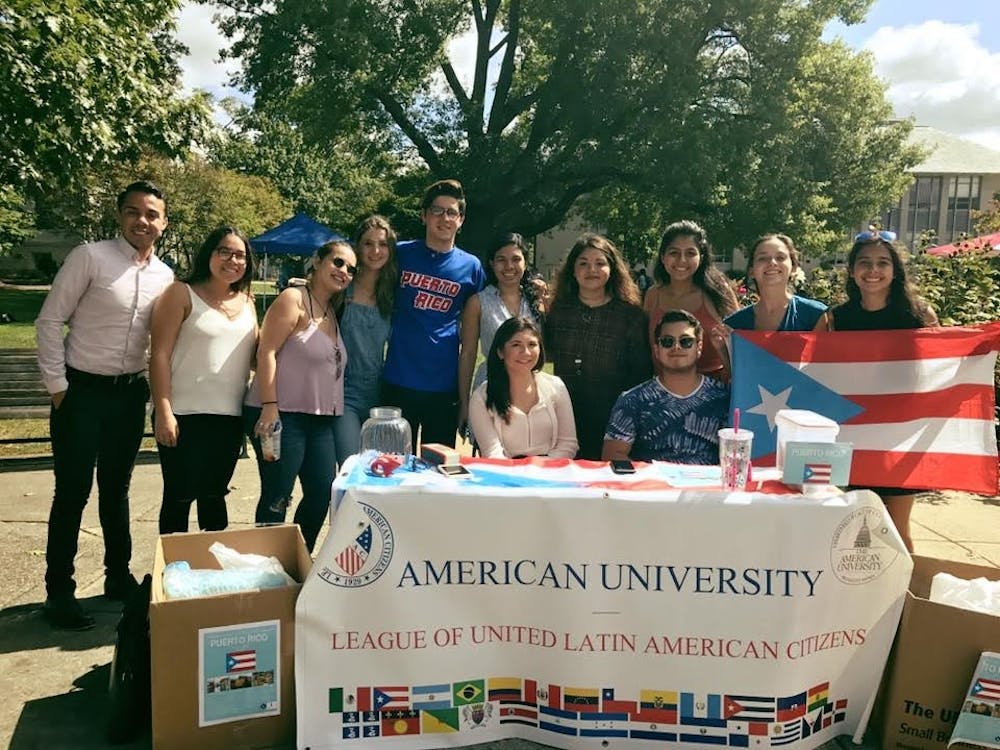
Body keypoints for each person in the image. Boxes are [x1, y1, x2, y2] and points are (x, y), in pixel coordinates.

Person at [35, 180, 174, 630]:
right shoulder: (89, 257)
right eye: (134, 212)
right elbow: (50, 319)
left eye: (152, 214)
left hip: (129, 394)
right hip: (81, 392)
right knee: (72, 492)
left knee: (117, 491)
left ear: (164, 223)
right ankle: (60, 592)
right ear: (120, 215)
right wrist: (58, 387)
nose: (142, 221)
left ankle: (118, 578)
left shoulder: (165, 276)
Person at [818, 229, 938, 552]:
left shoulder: (919, 316)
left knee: (898, 530)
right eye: (865, 263)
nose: (873, 270)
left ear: (895, 269)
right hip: (855, 436)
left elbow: (942, 369)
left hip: (901, 434)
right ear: (853, 270)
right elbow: (813, 372)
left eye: (882, 262)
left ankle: (907, 601)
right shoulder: (833, 320)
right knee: (860, 529)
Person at [244, 239, 355, 551]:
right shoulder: (293, 299)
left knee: (321, 493)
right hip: (281, 415)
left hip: (319, 420)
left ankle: (297, 559)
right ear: (317, 261)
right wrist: (269, 407)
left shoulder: (331, 310)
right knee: (277, 495)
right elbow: (266, 352)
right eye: (337, 262)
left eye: (350, 268)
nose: (344, 271)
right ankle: (266, 570)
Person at [149, 227, 258, 534]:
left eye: (240, 255)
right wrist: (164, 410)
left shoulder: (248, 302)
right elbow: (159, 354)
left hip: (229, 418)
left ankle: (211, 574)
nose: (233, 260)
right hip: (182, 414)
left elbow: (255, 357)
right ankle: (172, 575)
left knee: (214, 497)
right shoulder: (180, 293)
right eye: (224, 251)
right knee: (179, 497)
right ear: (208, 253)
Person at [381, 179, 485, 448]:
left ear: (461, 220)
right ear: (424, 215)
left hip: (443, 385)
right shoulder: (400, 254)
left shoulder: (471, 267)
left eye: (451, 212)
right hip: (398, 379)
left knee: (436, 472)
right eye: (437, 211)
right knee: (392, 466)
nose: (444, 218)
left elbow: (490, 306)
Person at [545, 233, 651, 460]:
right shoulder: (559, 312)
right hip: (565, 419)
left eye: (600, 263)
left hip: (614, 420)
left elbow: (641, 374)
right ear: (573, 271)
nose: (591, 270)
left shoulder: (631, 316)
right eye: (583, 263)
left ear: (612, 269)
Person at [603, 310, 730, 464]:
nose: (676, 347)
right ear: (657, 350)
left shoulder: (724, 398)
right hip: (652, 486)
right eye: (667, 341)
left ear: (699, 347)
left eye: (685, 341)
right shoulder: (632, 400)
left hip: (708, 486)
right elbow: (612, 455)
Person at [333, 215, 398, 463]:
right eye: (368, 244)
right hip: (343, 390)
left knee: (378, 469)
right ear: (357, 246)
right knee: (351, 465)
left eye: (382, 244)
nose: (375, 251)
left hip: (378, 392)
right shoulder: (341, 288)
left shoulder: (392, 293)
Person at [468, 317, 578, 458]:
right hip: (504, 475)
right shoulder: (481, 398)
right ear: (500, 352)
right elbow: (492, 452)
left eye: (532, 344)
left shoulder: (556, 387)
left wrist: (541, 469)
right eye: (516, 345)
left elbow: (568, 445)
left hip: (551, 474)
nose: (526, 352)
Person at [643, 220, 737, 379]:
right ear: (662, 256)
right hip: (665, 392)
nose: (682, 260)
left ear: (702, 257)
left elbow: (740, 346)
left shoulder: (718, 293)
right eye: (674, 253)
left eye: (690, 253)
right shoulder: (653, 295)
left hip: (715, 393)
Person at [458, 232, 546, 400]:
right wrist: (464, 402)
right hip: (490, 389)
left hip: (531, 390)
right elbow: (468, 354)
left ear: (526, 263)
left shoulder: (537, 299)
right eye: (501, 260)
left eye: (516, 259)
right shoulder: (478, 302)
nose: (509, 266)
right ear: (491, 263)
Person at [723, 233, 826, 331]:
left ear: (793, 267)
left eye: (780, 257)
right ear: (751, 271)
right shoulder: (734, 325)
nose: (772, 263)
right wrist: (721, 348)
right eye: (762, 258)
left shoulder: (816, 315)